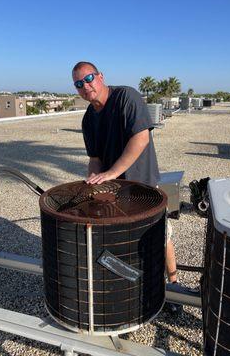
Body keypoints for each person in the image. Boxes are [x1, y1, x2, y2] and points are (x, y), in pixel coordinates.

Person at [72, 61, 181, 313]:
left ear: (101, 76)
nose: (86, 86)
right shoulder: (89, 119)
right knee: (123, 240)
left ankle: (174, 285)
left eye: (89, 78)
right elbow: (95, 158)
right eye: (79, 84)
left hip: (143, 186)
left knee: (161, 234)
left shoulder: (126, 97)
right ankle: (131, 289)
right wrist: (92, 184)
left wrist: (112, 173)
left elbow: (141, 138)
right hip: (113, 192)